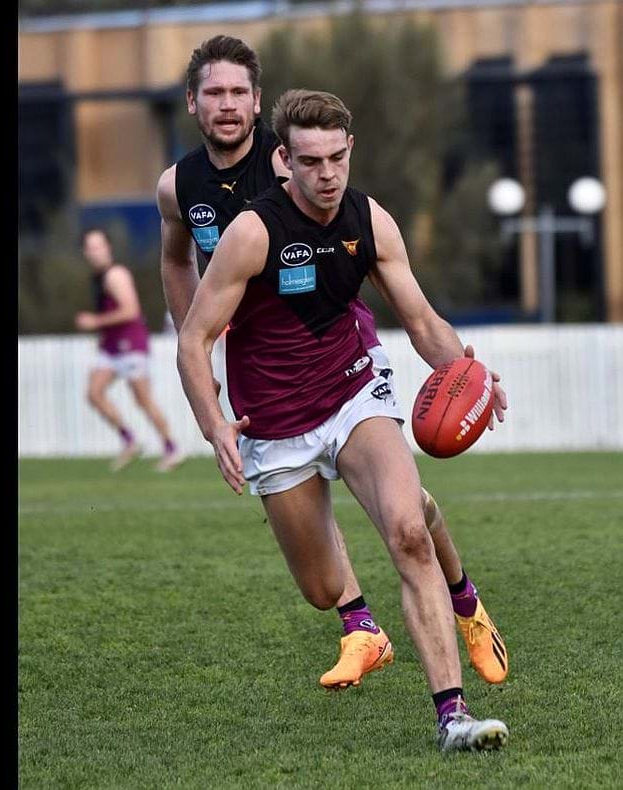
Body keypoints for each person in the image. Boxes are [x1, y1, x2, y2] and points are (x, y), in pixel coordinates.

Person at [157, 35, 507, 690]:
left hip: (346, 367)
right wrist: (196, 345)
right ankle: (361, 627)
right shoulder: (180, 186)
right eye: (214, 93)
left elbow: (421, 317)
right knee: (321, 586)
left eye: (239, 92)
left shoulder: (305, 166)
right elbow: (177, 264)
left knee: (405, 525)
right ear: (192, 102)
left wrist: (467, 370)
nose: (228, 105)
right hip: (268, 392)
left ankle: (460, 619)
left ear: (259, 105)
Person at [75, 228, 184, 472]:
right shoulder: (99, 277)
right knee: (94, 392)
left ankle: (171, 447)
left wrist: (95, 322)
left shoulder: (116, 275)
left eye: (98, 246)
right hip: (112, 347)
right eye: (90, 248)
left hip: (131, 345)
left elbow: (131, 311)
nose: (94, 252)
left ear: (108, 248)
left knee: (143, 399)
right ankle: (129, 439)